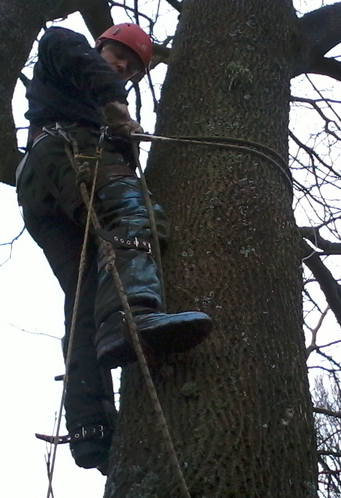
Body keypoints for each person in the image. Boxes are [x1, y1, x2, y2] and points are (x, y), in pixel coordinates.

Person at [15, 23, 213, 472]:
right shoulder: (63, 45)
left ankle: (91, 428)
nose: (122, 65)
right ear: (101, 44)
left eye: (132, 66)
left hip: (48, 186)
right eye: (118, 54)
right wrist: (116, 106)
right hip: (68, 155)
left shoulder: (94, 104)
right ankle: (135, 314)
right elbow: (78, 59)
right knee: (135, 215)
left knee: (86, 293)